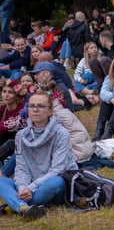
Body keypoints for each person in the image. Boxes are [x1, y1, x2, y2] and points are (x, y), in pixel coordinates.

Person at [0, 90, 77, 219]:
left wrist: (31, 189)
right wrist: (22, 188)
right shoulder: (21, 136)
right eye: (32, 106)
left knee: (55, 182)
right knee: (2, 181)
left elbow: (58, 169)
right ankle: (24, 208)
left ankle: (14, 205)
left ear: (50, 111)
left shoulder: (61, 134)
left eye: (40, 106)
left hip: (54, 184)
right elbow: (21, 167)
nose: (35, 109)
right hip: (30, 184)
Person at [0, 80, 23, 149]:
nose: (6, 95)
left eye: (10, 92)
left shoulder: (22, 108)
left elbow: (13, 125)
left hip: (17, 145)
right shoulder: (2, 107)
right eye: (4, 91)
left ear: (17, 95)